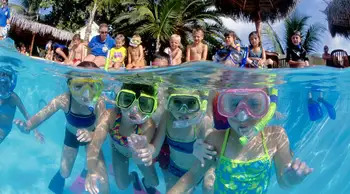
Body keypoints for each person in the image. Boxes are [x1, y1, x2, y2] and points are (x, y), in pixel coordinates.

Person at [168, 88, 313, 194]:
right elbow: (192, 176)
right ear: (223, 107)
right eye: (233, 104)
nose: (242, 115)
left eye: (254, 104)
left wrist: (293, 178)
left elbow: (284, 183)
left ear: (266, 107)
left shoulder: (275, 136)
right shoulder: (216, 139)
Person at [14, 61, 109, 194]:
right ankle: (63, 177)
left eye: (92, 86)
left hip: (93, 137)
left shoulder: (99, 102)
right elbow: (43, 114)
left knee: (103, 179)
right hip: (71, 135)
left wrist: (92, 135)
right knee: (65, 172)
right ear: (70, 85)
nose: (86, 93)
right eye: (79, 86)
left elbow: (103, 128)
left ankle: (87, 168)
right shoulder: (64, 100)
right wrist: (27, 127)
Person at [128, 88, 216, 193]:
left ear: (200, 104)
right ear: (169, 103)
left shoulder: (203, 121)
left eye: (191, 103)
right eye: (177, 102)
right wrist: (147, 150)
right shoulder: (167, 117)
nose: (183, 110)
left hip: (198, 170)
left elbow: (214, 149)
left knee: (208, 187)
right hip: (174, 169)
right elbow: (155, 148)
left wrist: (206, 150)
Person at [85, 83, 160, 194]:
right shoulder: (111, 117)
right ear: (118, 100)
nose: (134, 110)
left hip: (137, 156)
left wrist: (140, 149)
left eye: (143, 105)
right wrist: (91, 170)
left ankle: (145, 182)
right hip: (118, 151)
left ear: (152, 108)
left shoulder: (148, 125)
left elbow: (143, 153)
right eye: (127, 100)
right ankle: (134, 178)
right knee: (122, 185)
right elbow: (95, 143)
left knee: (154, 183)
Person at [0, 66, 44, 144]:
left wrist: (36, 132)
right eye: (1, 84)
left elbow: (26, 114)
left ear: (11, 83)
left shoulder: (13, 98)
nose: (3, 88)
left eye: (5, 84)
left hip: (4, 129)